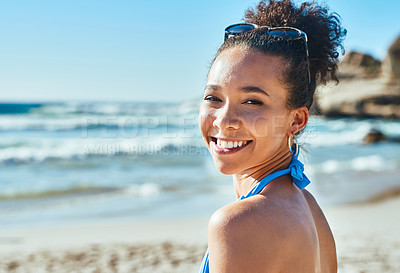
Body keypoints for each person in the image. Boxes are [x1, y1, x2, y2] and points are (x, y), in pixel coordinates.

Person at [198, 0, 346, 272]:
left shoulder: (236, 224)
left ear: (296, 119)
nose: (224, 120)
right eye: (213, 98)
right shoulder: (310, 210)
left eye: (252, 102)